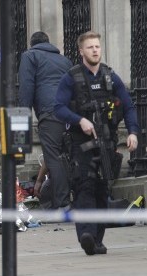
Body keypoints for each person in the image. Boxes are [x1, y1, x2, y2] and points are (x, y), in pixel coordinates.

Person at [54, 31, 139, 255]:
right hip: (81, 144)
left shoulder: (110, 77)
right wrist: (79, 119)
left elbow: (129, 106)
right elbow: (59, 108)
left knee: (102, 190)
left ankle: (96, 240)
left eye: (97, 47)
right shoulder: (71, 77)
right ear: (81, 51)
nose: (95, 50)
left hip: (107, 143)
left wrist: (132, 133)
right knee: (84, 187)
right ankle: (87, 234)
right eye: (90, 47)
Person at [18, 31, 73, 210]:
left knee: (54, 157)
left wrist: (22, 117)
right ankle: (72, 200)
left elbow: (26, 86)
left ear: (32, 44)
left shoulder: (29, 56)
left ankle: (62, 205)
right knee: (66, 156)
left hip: (49, 112)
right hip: (70, 112)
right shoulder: (65, 60)